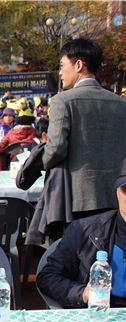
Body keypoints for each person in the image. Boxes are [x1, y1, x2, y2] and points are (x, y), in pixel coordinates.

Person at [43, 38, 126, 219]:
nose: (60, 73)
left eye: (62, 65)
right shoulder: (121, 104)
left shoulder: (63, 101)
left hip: (78, 198)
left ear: (78, 65)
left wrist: (40, 162)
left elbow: (55, 149)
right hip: (118, 196)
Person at [37, 158, 126, 308]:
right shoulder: (84, 230)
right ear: (117, 191)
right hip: (99, 316)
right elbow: (47, 277)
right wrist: (82, 293)